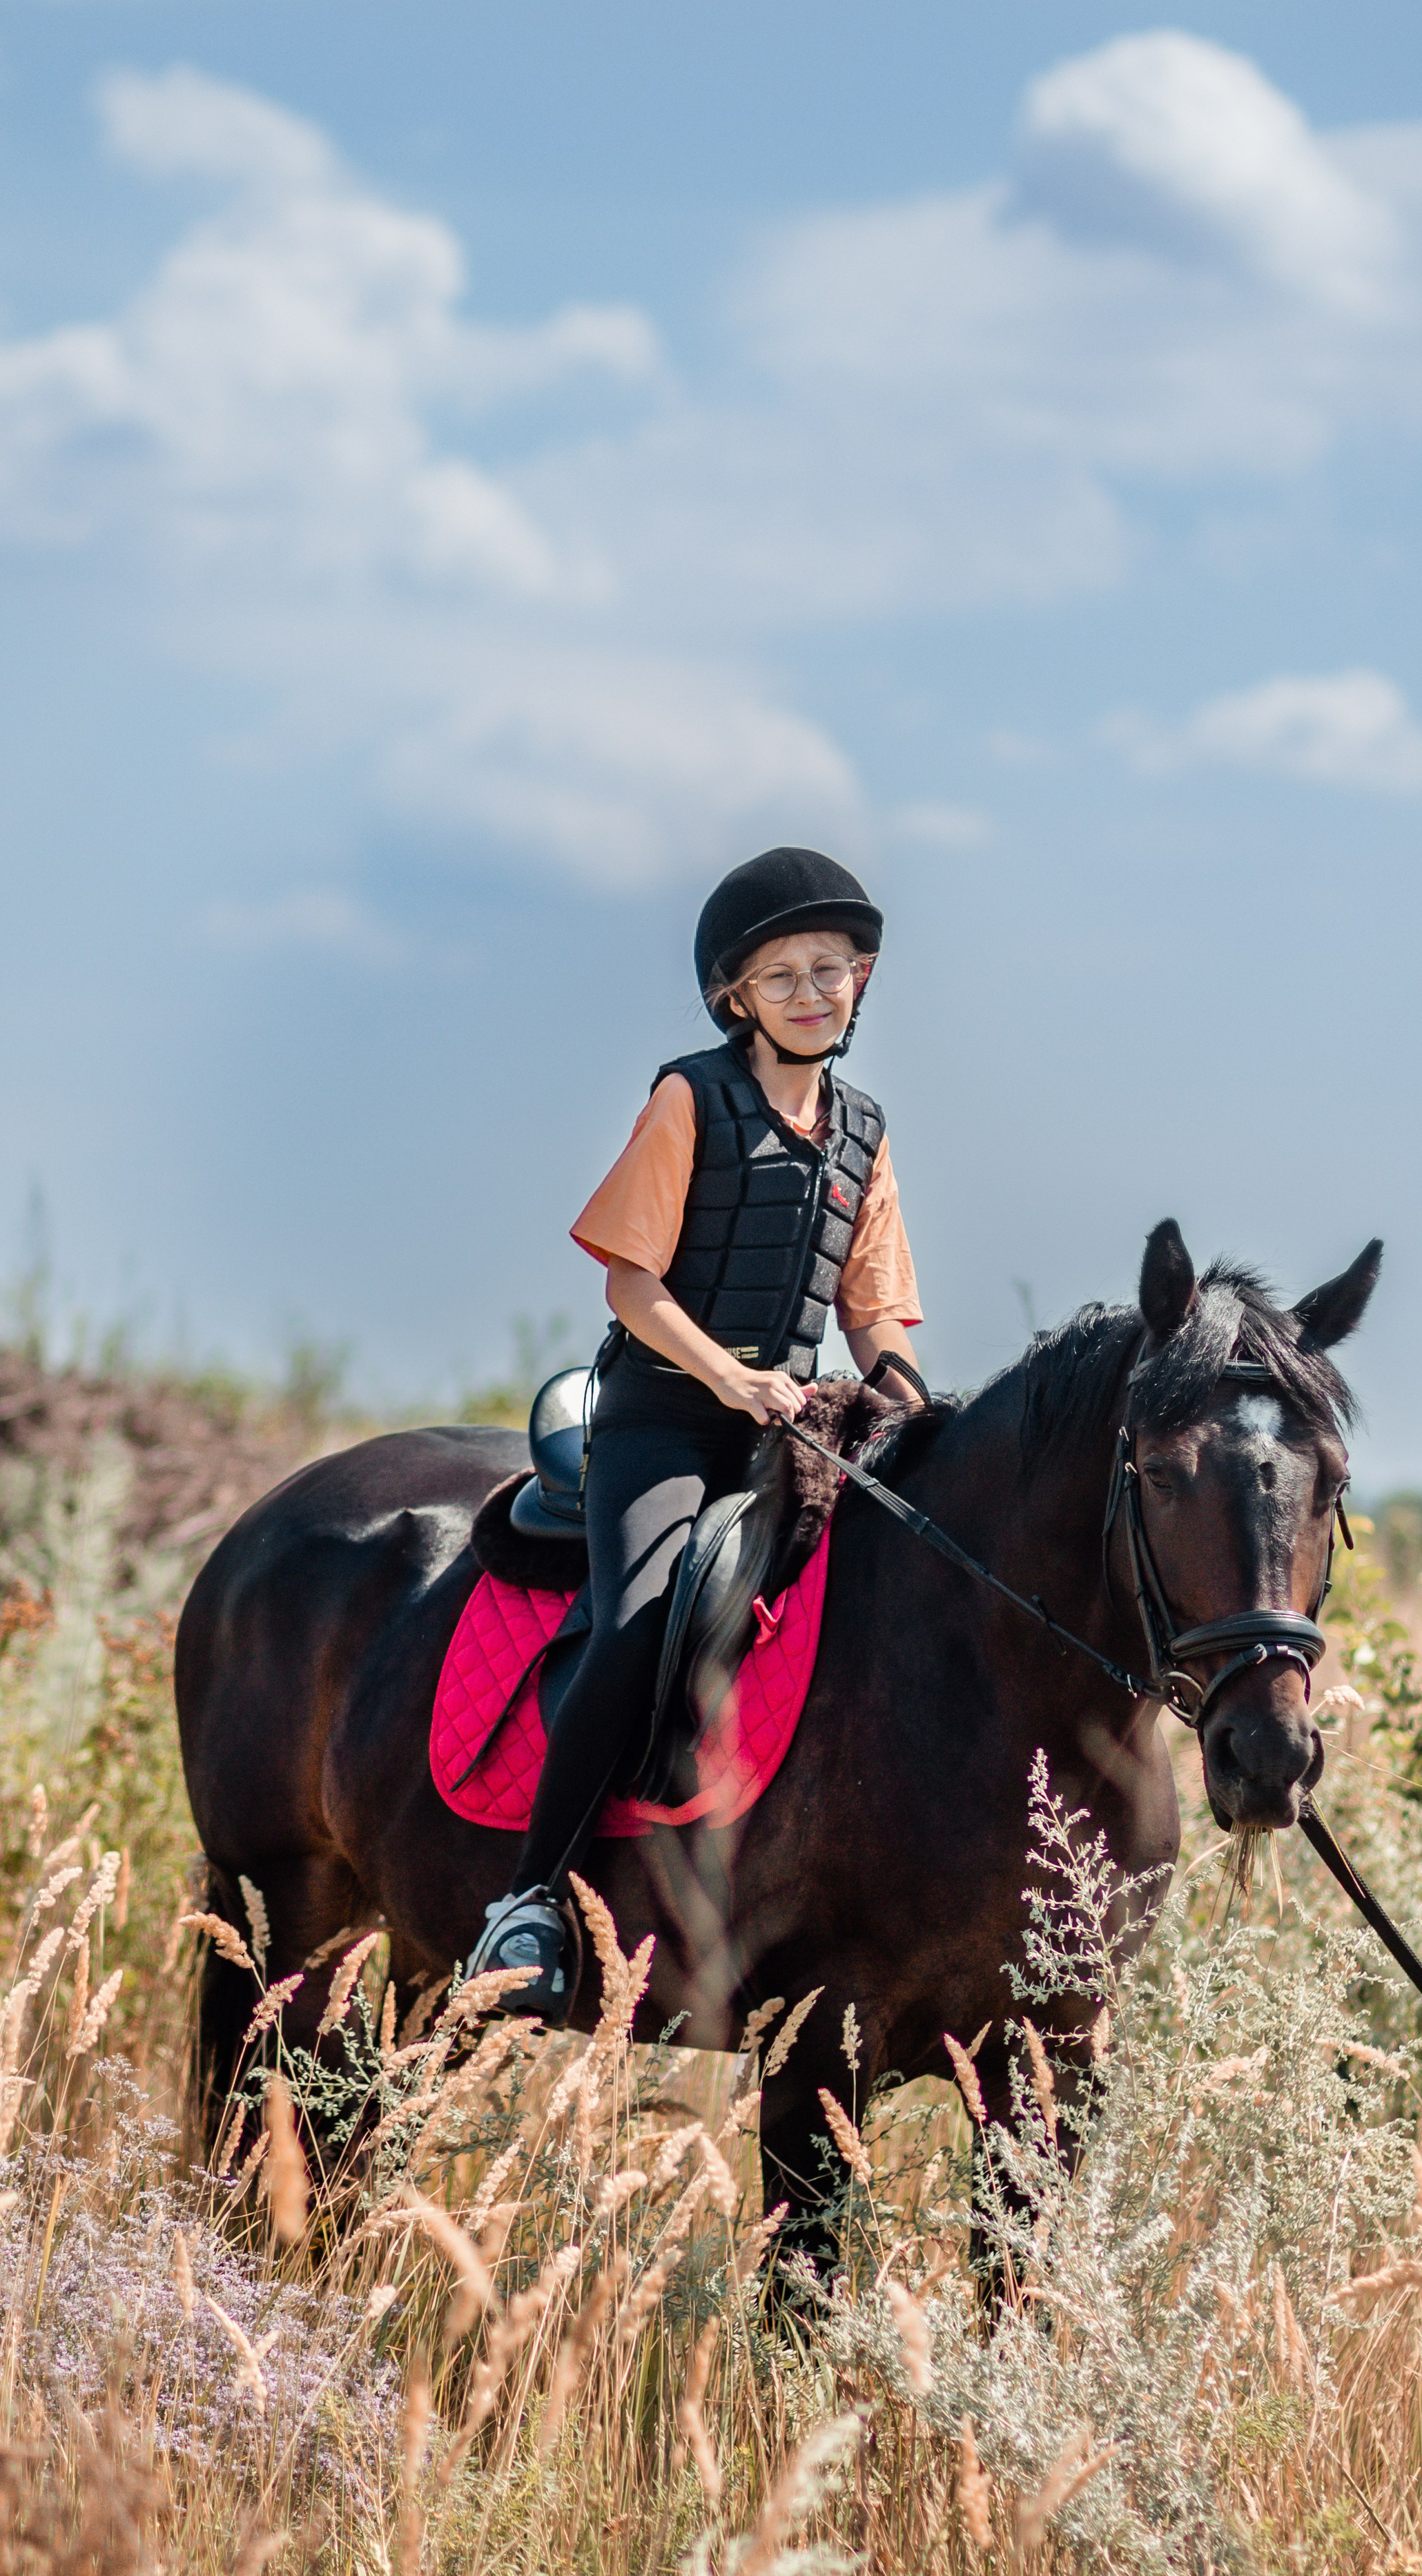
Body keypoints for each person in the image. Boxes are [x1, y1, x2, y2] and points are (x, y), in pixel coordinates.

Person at [464, 846, 926, 2020]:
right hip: (665, 1418)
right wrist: (737, 1380)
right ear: (738, 998)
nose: (813, 993)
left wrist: (912, 1400)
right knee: (637, 1616)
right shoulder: (689, 1097)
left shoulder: (864, 1131)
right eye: (784, 977)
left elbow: (872, 1309)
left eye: (832, 971)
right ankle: (523, 1905)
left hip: (794, 1431)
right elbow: (632, 1286)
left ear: (861, 980)